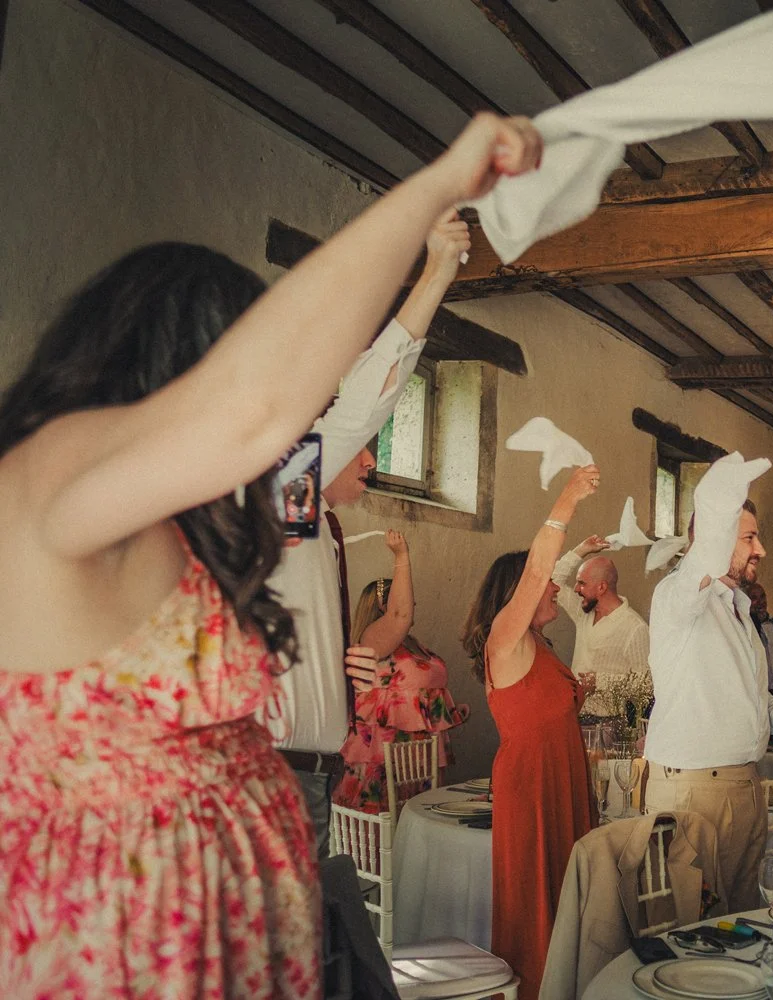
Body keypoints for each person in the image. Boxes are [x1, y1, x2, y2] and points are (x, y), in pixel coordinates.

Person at [0, 111, 539, 996]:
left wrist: (437, 271)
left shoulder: (207, 521)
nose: (280, 430)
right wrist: (438, 185)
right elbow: (274, 408)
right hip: (115, 943)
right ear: (169, 374)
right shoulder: (49, 477)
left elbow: (345, 414)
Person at [268, 208, 473, 855]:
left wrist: (334, 666)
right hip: (278, 774)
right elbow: (359, 406)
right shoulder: (282, 495)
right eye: (361, 447)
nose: (370, 460)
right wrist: (434, 274)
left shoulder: (312, 526)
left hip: (313, 774)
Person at [642, 454, 773, 912]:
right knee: (689, 930)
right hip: (695, 792)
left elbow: (745, 689)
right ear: (714, 538)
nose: (761, 550)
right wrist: (717, 502)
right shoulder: (678, 598)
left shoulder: (737, 608)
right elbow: (702, 559)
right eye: (750, 538)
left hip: (743, 788)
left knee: (737, 926)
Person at [462, 465, 600, 1000]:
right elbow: (543, 562)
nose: (556, 589)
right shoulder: (506, 636)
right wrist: (565, 499)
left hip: (562, 779)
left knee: (566, 900)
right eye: (544, 585)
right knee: (534, 904)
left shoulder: (540, 647)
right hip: (531, 786)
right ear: (521, 589)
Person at [333, 531, 469, 813]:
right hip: (383, 760)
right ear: (384, 605)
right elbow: (400, 616)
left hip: (417, 761)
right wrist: (401, 557)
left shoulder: (412, 644)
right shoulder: (373, 639)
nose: (412, 603)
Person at [551, 535, 650, 717]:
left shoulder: (635, 628)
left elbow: (645, 685)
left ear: (602, 587)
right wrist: (581, 549)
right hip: (574, 716)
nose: (575, 589)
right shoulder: (583, 612)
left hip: (609, 725)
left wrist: (600, 682)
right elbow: (553, 581)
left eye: (581, 583)